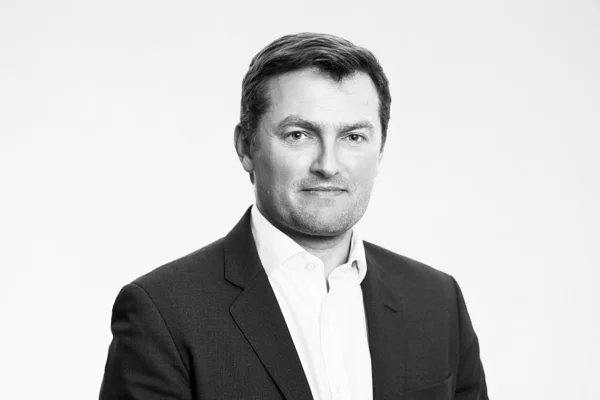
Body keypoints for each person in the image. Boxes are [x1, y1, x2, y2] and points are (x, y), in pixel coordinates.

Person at [99, 32, 488, 400]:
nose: (328, 165)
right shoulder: (163, 314)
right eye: (299, 135)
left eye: (353, 137)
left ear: (380, 150)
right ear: (246, 147)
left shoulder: (437, 302)